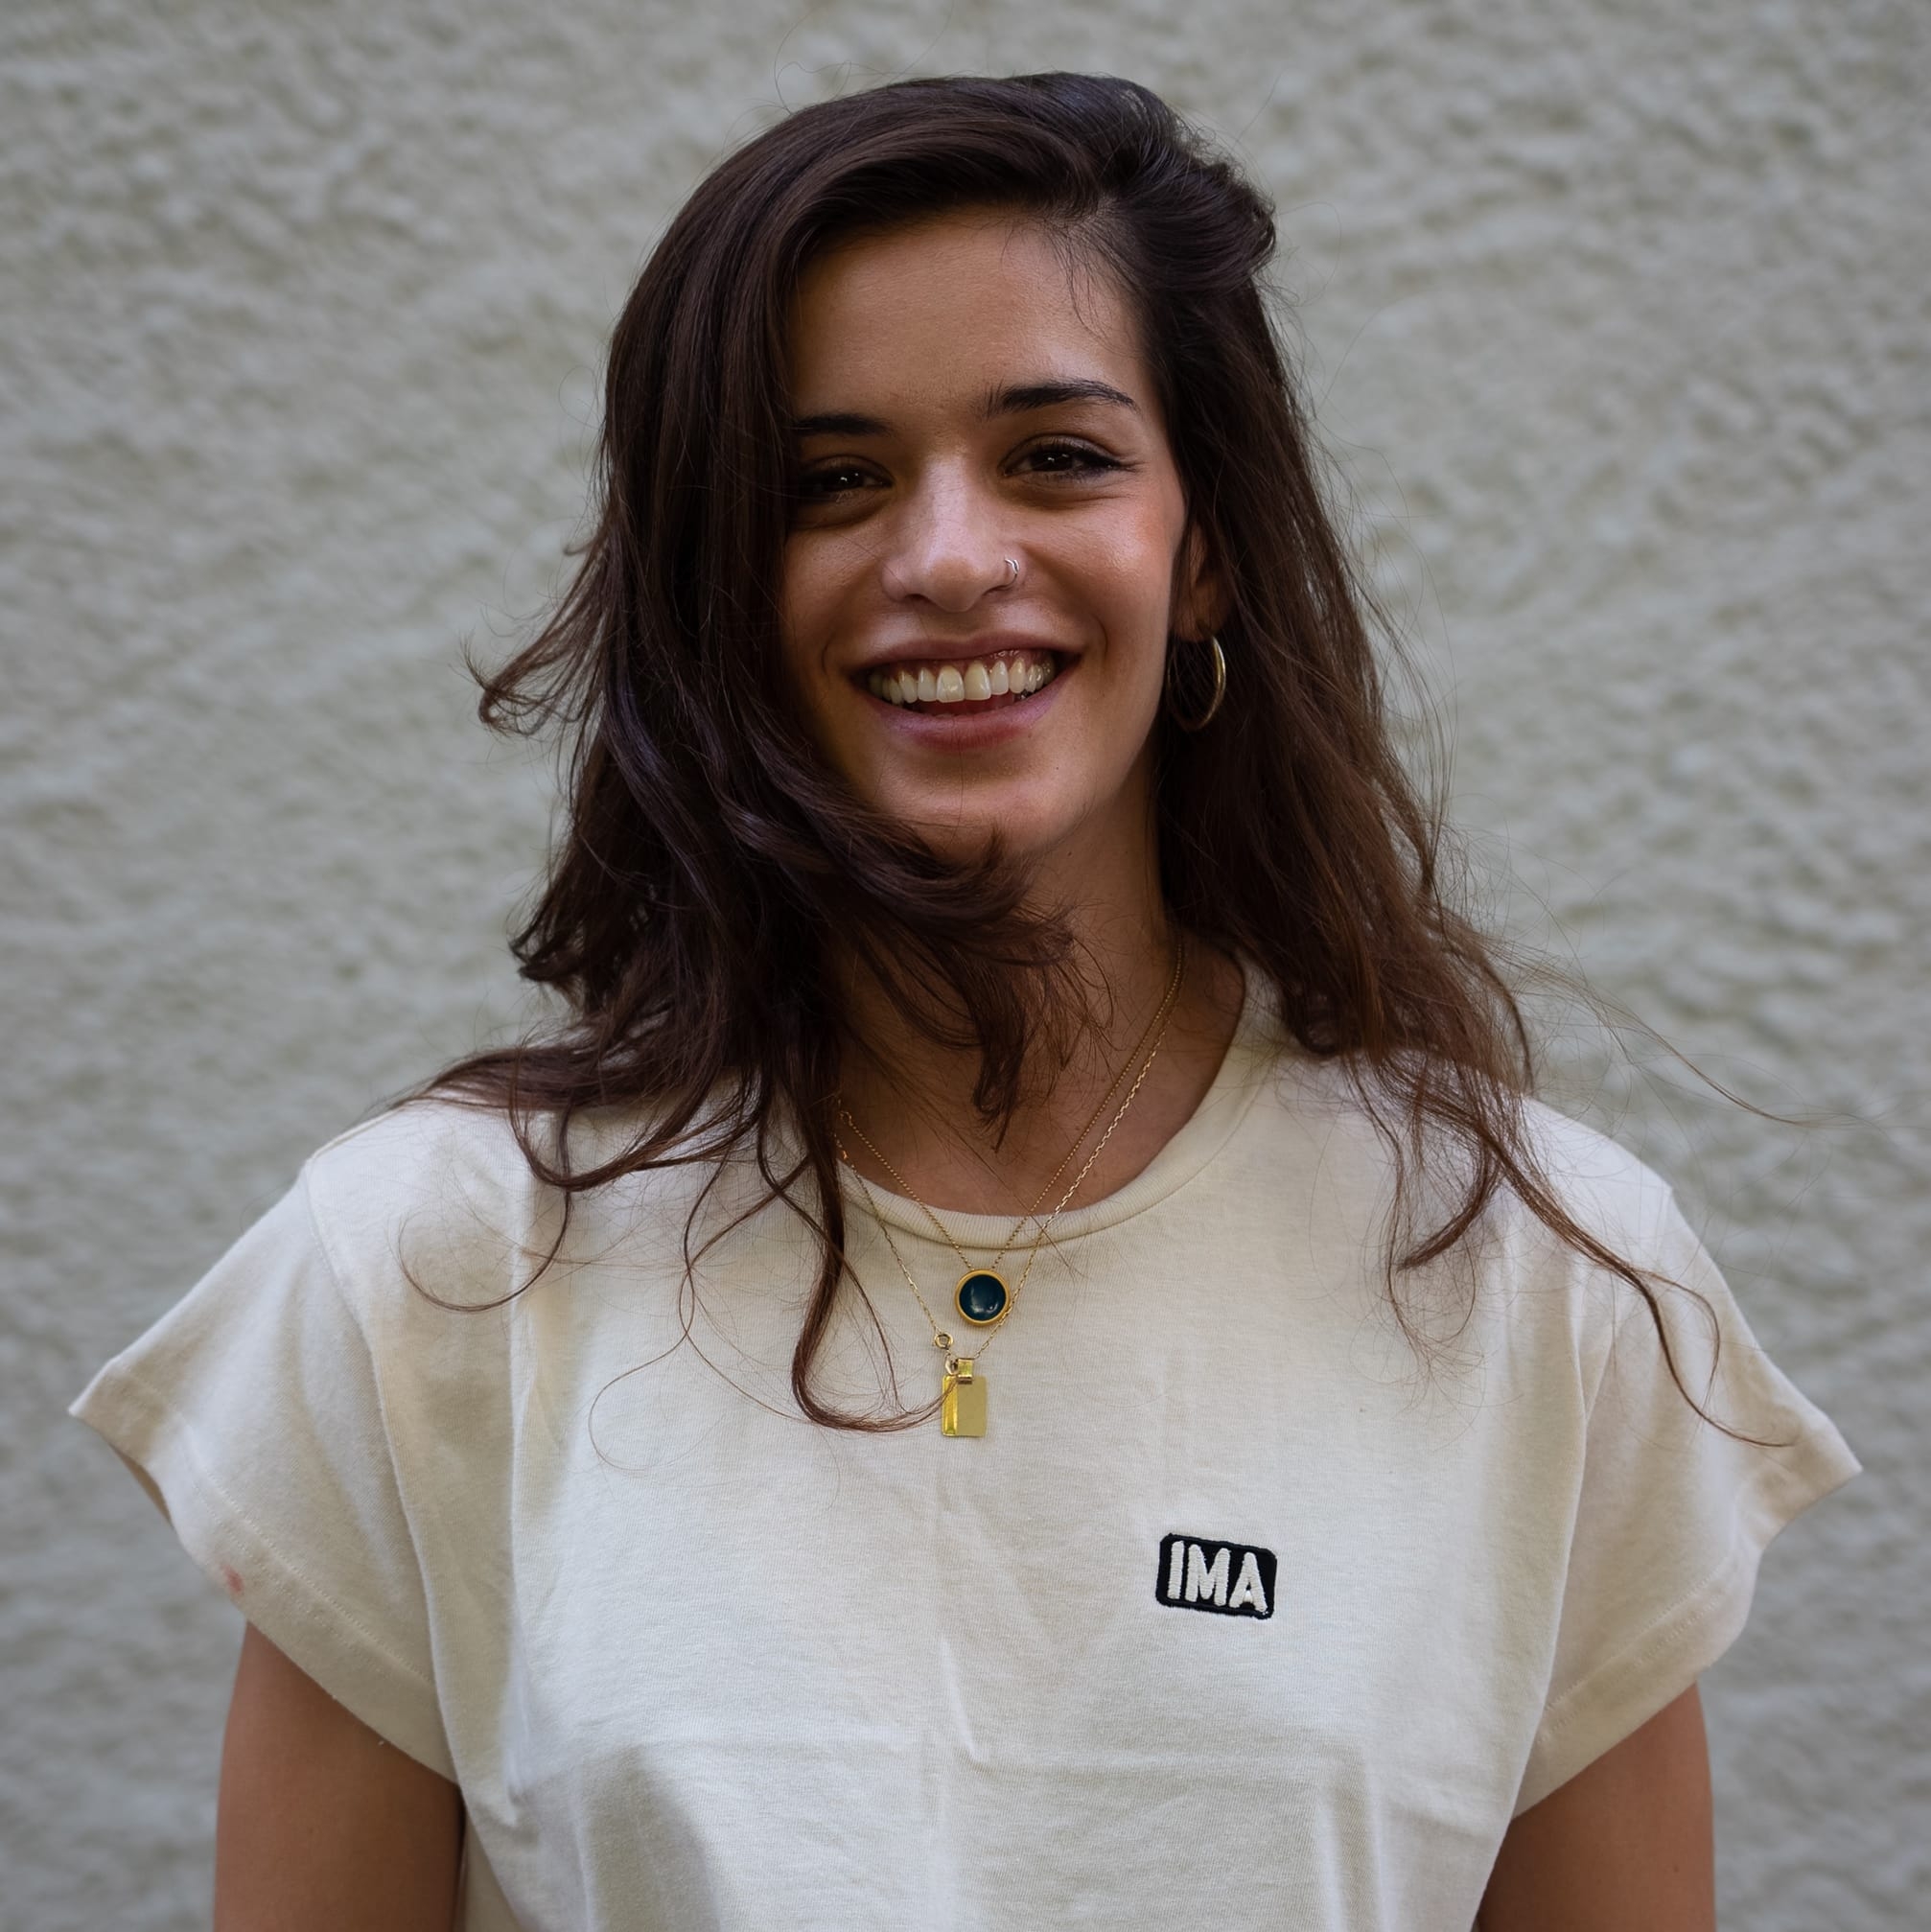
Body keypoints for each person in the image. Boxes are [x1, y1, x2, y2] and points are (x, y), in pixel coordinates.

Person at [69, 71, 1859, 1931]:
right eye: (829, 483)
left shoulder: (1533, 1274)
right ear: (716, 578)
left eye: (1056, 458)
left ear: (1205, 545)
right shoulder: (428, 1266)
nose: (944, 560)